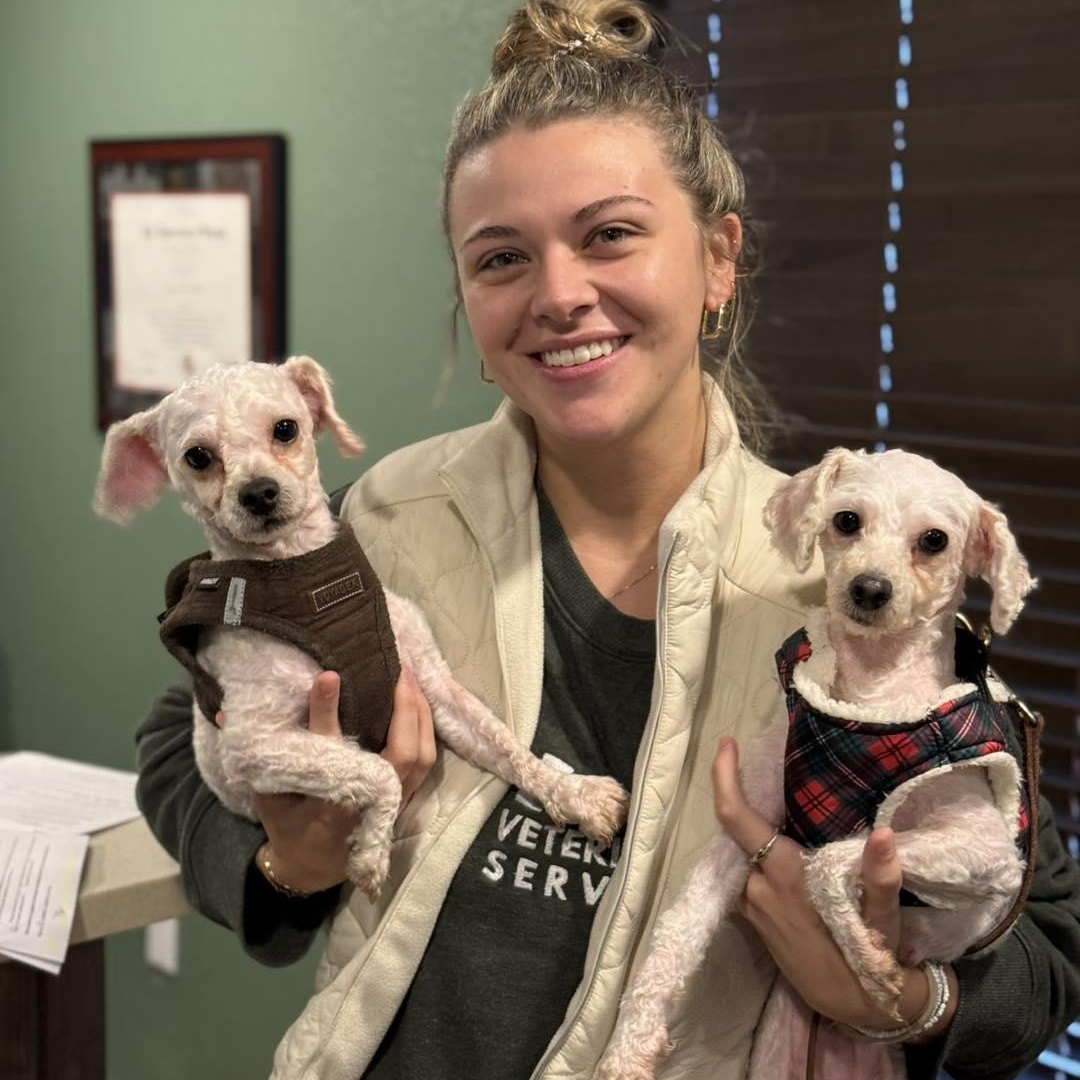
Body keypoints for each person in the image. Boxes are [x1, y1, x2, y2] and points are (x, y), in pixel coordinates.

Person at [134, 2, 1080, 1078]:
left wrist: (900, 998)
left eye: (610, 234)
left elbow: (1046, 946)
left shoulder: (852, 582)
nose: (560, 295)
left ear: (719, 260)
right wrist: (286, 862)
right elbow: (180, 736)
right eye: (501, 259)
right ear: (469, 303)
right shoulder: (382, 522)